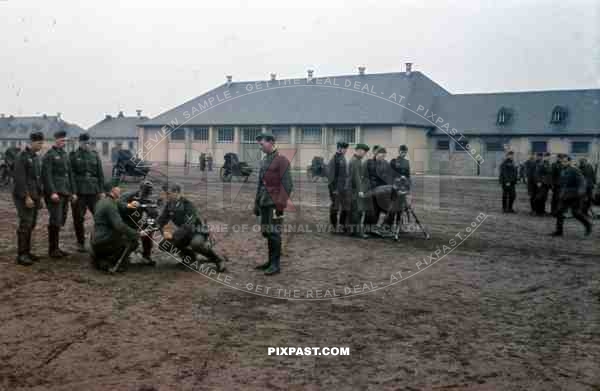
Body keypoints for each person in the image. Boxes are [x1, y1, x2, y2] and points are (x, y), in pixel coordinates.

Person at [157, 183, 227, 272]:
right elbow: (161, 220)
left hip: (197, 231)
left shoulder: (188, 204)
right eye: (165, 193)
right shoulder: (169, 205)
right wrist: (162, 230)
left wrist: (174, 236)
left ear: (177, 192)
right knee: (164, 245)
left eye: (168, 193)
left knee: (196, 244)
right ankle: (189, 257)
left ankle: (218, 260)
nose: (166, 196)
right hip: (184, 233)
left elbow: (189, 224)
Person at [253, 133, 293, 275]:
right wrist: (256, 203)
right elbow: (260, 184)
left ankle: (275, 265)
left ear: (271, 142)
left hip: (274, 204)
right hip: (264, 202)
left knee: (274, 233)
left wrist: (280, 205)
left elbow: (287, 184)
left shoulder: (281, 160)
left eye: (262, 144)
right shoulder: (265, 160)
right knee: (267, 232)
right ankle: (270, 261)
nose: (260, 147)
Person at [90, 180, 142, 272]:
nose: (120, 190)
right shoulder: (110, 205)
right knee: (133, 241)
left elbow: (119, 203)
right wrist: (137, 234)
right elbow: (119, 226)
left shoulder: (102, 201)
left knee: (121, 235)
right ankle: (112, 262)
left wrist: (129, 205)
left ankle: (100, 259)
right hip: (104, 242)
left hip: (96, 239)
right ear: (113, 190)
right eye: (118, 188)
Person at [12, 132, 45, 265]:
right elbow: (20, 179)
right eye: (39, 143)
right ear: (31, 142)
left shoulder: (35, 157)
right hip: (24, 196)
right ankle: (21, 255)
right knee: (25, 224)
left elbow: (37, 179)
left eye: (42, 143)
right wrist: (27, 197)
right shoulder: (22, 156)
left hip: (34, 195)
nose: (41, 145)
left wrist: (39, 197)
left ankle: (27, 252)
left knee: (31, 224)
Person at [42, 130, 76, 258]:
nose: (64, 143)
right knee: (55, 219)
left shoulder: (64, 155)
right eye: (62, 140)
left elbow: (69, 174)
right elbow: (47, 175)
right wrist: (52, 192)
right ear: (55, 140)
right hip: (56, 193)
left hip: (65, 191)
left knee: (61, 219)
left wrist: (73, 192)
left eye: (65, 141)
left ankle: (56, 248)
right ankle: (52, 250)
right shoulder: (49, 155)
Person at [70, 133, 105, 252]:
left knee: (100, 216)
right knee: (78, 218)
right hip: (79, 191)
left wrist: (101, 190)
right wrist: (73, 192)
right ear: (79, 143)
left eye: (89, 143)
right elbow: (71, 175)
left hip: (94, 191)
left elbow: (100, 174)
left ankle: (99, 240)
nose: (87, 145)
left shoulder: (94, 155)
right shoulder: (73, 156)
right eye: (85, 142)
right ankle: (80, 242)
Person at [551, 155, 592, 237]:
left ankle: (588, 225)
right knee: (559, 212)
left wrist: (580, 192)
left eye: (565, 161)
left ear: (570, 162)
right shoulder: (563, 170)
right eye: (562, 161)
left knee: (576, 213)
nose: (563, 163)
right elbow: (563, 183)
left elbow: (582, 181)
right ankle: (559, 232)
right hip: (565, 195)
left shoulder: (574, 170)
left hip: (575, 195)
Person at [119, 180, 157, 264]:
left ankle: (146, 256)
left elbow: (152, 217)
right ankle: (122, 255)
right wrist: (129, 205)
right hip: (125, 222)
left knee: (148, 233)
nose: (145, 196)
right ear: (140, 190)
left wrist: (149, 227)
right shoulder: (128, 196)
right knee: (128, 240)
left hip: (137, 222)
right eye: (144, 193)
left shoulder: (149, 201)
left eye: (147, 194)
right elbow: (119, 204)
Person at [327, 141, 351, 233]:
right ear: (339, 148)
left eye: (346, 149)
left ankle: (342, 225)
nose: (346, 150)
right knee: (335, 207)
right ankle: (333, 226)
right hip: (336, 188)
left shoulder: (343, 158)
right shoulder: (334, 159)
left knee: (345, 206)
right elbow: (330, 176)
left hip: (343, 188)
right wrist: (334, 189)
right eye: (344, 149)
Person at [349, 143, 370, 238]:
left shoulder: (357, 160)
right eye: (363, 151)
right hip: (354, 190)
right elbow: (356, 177)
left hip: (354, 189)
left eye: (365, 152)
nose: (364, 153)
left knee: (355, 211)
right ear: (358, 150)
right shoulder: (355, 161)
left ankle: (353, 231)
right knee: (357, 211)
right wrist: (360, 190)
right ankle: (357, 232)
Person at [366, 146, 390, 229]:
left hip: (382, 190)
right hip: (371, 189)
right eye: (381, 155)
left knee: (383, 208)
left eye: (384, 156)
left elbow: (388, 176)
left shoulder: (386, 163)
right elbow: (365, 176)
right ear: (376, 154)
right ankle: (370, 227)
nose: (383, 157)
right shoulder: (369, 163)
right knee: (372, 209)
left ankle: (379, 226)